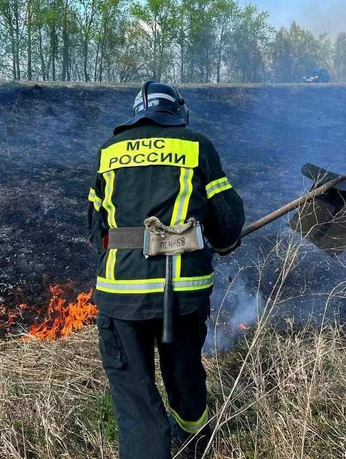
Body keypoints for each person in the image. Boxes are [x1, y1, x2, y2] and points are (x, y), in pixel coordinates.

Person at [87, 81, 245, 459]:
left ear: (137, 113)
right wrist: (222, 244)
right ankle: (194, 442)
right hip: (182, 291)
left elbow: (96, 229)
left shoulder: (109, 151)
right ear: (177, 111)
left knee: (134, 393)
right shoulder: (196, 145)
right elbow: (227, 219)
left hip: (121, 292)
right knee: (184, 372)